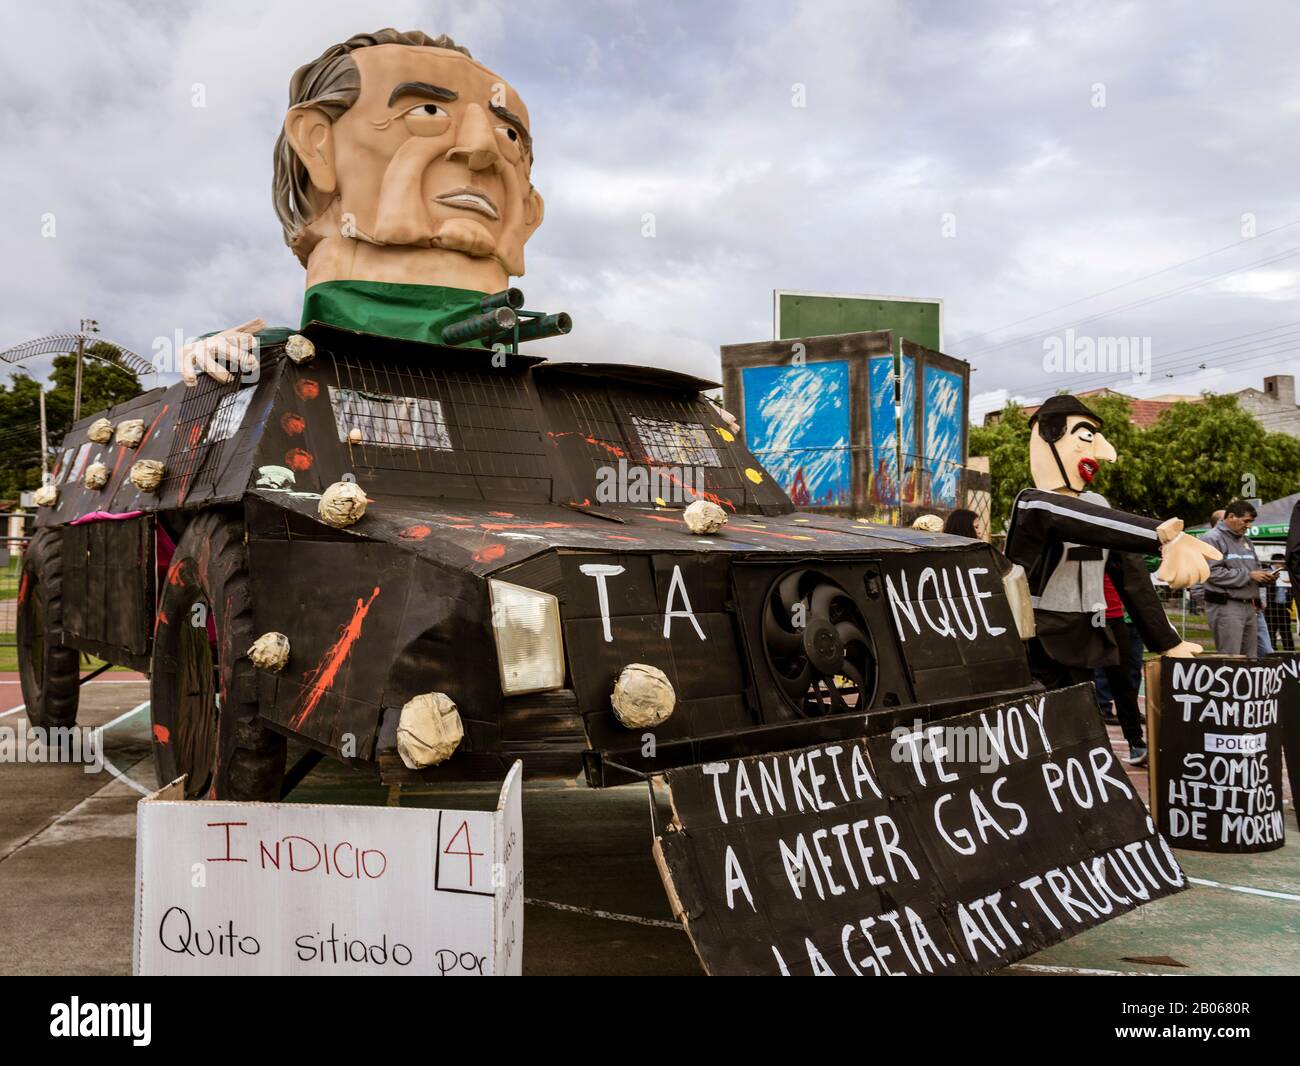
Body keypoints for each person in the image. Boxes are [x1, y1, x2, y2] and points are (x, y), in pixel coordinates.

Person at [1004, 395, 1215, 767]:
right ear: (1048, 438)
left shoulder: (1097, 510)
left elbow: (1133, 578)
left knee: (1079, 729)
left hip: (1086, 637)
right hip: (1038, 642)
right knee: (1047, 731)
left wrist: (1168, 641)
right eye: (1086, 437)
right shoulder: (1033, 504)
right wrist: (1159, 534)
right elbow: (1067, 516)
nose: (1104, 453)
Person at [1199, 500, 1274, 658]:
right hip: (1226, 606)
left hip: (1250, 606)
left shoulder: (1245, 540)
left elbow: (1256, 567)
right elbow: (1211, 572)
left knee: (1251, 659)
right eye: (1246, 521)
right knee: (1231, 659)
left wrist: (1266, 575)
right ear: (1231, 516)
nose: (1249, 526)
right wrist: (1248, 575)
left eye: (1251, 522)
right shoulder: (1211, 538)